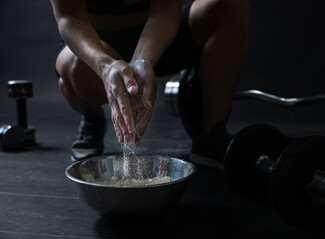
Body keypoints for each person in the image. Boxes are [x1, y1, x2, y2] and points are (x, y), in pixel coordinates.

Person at [50, 0, 250, 162]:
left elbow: (165, 10)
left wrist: (142, 60)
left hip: (158, 35)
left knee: (229, 6)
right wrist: (104, 65)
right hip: (95, 42)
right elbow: (70, 18)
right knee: (75, 68)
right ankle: (92, 118)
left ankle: (211, 133)